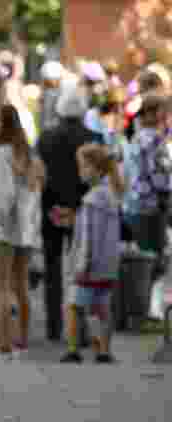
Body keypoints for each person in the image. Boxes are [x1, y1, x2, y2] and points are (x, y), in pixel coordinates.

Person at [37, 85, 103, 341]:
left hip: (51, 208)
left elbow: (40, 174)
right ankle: (81, 329)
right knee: (83, 268)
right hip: (83, 211)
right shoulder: (94, 138)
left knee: (52, 268)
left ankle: (53, 327)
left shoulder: (45, 137)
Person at [0, 105, 46, 363]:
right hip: (27, 230)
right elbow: (34, 192)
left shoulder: (0, 153)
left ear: (5, 124)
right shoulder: (28, 154)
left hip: (6, 227)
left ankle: (3, 346)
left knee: (1, 287)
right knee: (21, 286)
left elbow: (4, 195)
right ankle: (21, 342)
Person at [63, 143, 125, 363]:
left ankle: (72, 350)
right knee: (103, 308)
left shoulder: (90, 201)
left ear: (97, 170)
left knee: (72, 306)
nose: (80, 171)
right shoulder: (111, 196)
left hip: (90, 266)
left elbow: (89, 237)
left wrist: (82, 264)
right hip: (108, 266)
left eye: (83, 166)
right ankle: (104, 351)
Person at [125, 94, 170, 331]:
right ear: (152, 113)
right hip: (151, 207)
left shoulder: (137, 137)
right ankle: (146, 315)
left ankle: (138, 312)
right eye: (163, 110)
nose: (166, 115)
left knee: (142, 262)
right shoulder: (153, 140)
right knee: (154, 262)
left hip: (134, 205)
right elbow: (160, 178)